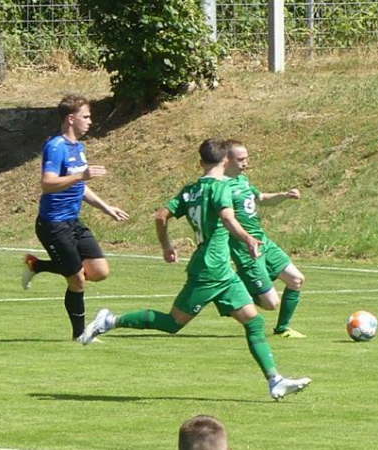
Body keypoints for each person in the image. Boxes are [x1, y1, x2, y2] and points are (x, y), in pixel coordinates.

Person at [81, 139, 311, 400]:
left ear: (201, 163)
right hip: (210, 270)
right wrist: (248, 239)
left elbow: (160, 215)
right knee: (172, 323)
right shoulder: (221, 188)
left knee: (254, 321)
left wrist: (167, 245)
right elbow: (227, 218)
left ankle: (275, 381)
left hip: (221, 269)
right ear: (225, 161)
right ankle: (110, 320)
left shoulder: (190, 190)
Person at [21, 94, 129, 341]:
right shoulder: (56, 146)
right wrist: (82, 176)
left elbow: (80, 187)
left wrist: (105, 207)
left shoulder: (79, 148)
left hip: (73, 222)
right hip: (53, 224)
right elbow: (47, 184)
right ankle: (80, 335)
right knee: (78, 280)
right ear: (71, 119)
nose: (90, 121)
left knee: (100, 271)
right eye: (86, 116)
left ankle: (36, 265)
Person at [223, 139, 306, 338]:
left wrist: (284, 195)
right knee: (270, 304)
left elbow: (261, 199)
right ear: (226, 160)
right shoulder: (221, 186)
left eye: (247, 158)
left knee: (296, 279)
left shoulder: (243, 180)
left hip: (264, 242)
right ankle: (228, 293)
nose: (246, 163)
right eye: (241, 159)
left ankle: (283, 328)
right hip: (245, 248)